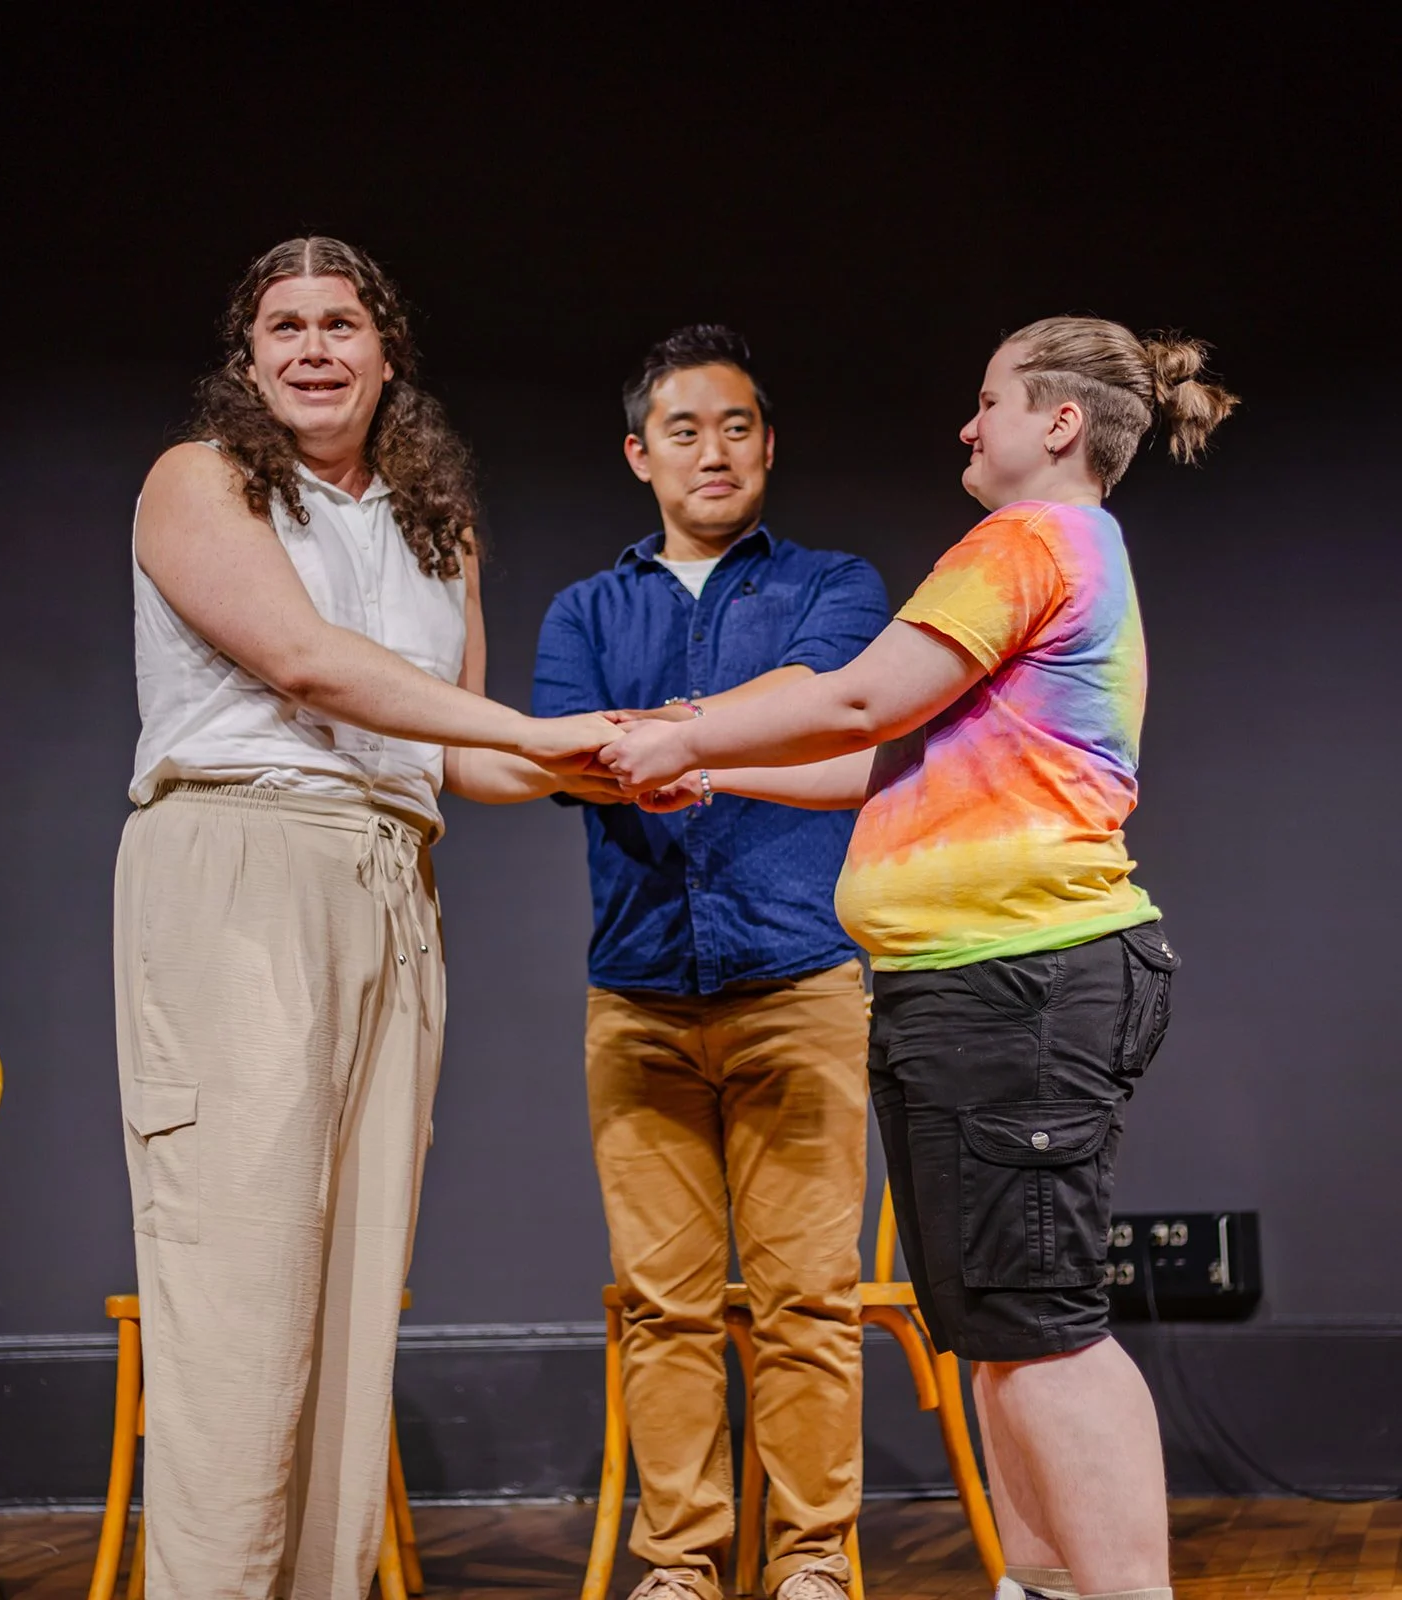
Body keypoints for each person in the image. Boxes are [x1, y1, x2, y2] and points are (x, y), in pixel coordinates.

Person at [600, 316, 1237, 1600]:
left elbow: (856, 697)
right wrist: (711, 759)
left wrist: (680, 728)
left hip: (1023, 978)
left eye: (988, 399)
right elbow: (879, 754)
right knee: (995, 1327)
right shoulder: (1058, 552)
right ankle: (1046, 1583)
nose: (966, 423)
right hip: (967, 983)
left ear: (1056, 422)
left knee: (1042, 1328)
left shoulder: (1027, 541)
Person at [116, 236, 616, 1600]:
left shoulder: (432, 523)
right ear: (250, 355)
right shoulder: (199, 481)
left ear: (388, 353)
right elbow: (304, 662)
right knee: (242, 1286)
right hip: (245, 858)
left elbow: (467, 756)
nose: (314, 347)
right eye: (284, 325)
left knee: (349, 1293)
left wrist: (627, 759)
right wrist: (543, 728)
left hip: (395, 875)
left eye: (342, 322)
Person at [532, 326, 890, 1600]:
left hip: (797, 981)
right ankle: (679, 1565)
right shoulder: (586, 607)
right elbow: (561, 755)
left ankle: (810, 1566)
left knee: (808, 1304)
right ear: (640, 454)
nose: (714, 449)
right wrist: (736, 720)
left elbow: (836, 708)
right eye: (684, 429)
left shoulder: (833, 586)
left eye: (737, 425)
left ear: (768, 444)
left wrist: (664, 732)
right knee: (662, 1304)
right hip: (635, 997)